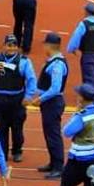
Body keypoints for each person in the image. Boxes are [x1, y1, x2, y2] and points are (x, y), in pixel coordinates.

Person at [0, 34, 36, 162]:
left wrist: (28, 96)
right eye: (9, 45)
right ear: (4, 46)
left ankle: (17, 151)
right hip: (0, 100)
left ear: (17, 47)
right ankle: (2, 153)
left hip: (17, 100)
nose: (11, 48)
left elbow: (31, 80)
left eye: (14, 45)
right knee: (2, 128)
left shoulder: (24, 62)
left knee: (17, 128)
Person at [32, 32, 68, 178]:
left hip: (52, 103)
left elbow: (55, 88)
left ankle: (58, 166)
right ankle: (53, 162)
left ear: (49, 45)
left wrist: (40, 99)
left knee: (53, 134)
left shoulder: (57, 64)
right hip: (50, 103)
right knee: (49, 133)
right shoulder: (53, 61)